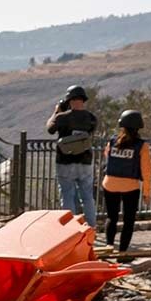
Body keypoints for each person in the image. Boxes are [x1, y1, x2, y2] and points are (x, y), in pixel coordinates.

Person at [46, 85, 99, 226]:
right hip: (85, 161)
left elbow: (50, 129)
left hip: (65, 162)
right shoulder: (91, 118)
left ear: (69, 100)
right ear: (83, 100)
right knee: (87, 197)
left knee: (67, 195)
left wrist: (56, 112)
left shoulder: (62, 117)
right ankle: (91, 227)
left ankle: (71, 228)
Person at [101, 110, 151, 254]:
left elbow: (107, 158)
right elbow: (147, 171)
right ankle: (123, 252)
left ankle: (109, 246)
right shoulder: (142, 146)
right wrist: (147, 193)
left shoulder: (112, 141)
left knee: (112, 216)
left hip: (109, 183)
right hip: (130, 186)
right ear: (139, 127)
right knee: (128, 221)